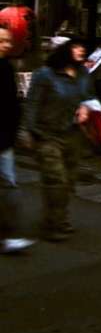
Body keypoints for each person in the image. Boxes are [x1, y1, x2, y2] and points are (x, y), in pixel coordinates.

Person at [18, 37, 95, 242]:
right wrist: (26, 131)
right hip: (47, 134)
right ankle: (54, 224)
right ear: (64, 50)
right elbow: (32, 104)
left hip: (72, 133)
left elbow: (88, 96)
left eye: (83, 48)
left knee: (68, 181)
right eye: (76, 47)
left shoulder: (83, 73)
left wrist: (86, 107)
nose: (81, 51)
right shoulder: (45, 75)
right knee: (56, 180)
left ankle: (57, 218)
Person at [1, 27, 33, 254]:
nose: (6, 44)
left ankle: (9, 235)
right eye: (1, 40)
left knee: (10, 186)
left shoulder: (6, 67)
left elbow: (11, 106)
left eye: (8, 40)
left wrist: (18, 132)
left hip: (4, 140)